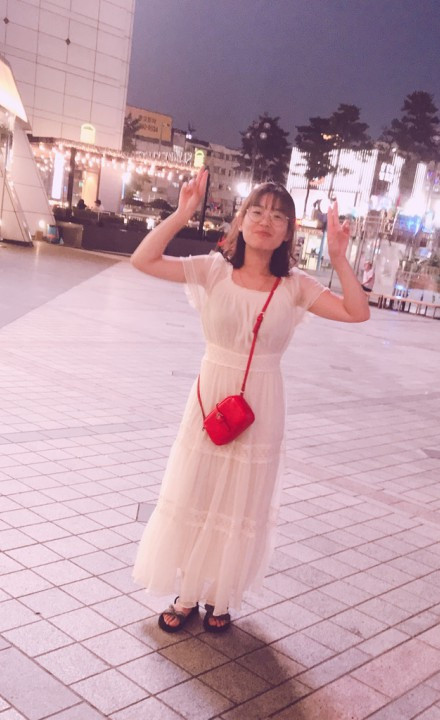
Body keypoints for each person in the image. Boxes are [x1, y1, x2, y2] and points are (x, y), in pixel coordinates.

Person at [130, 167, 369, 633]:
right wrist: (181, 213)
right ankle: (188, 593)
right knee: (197, 490)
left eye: (278, 216)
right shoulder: (213, 269)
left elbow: (356, 312)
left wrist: (339, 257)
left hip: (261, 403)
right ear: (240, 220)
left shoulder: (295, 285)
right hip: (210, 395)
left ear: (288, 232)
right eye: (256, 211)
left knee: (241, 503)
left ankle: (220, 595)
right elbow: (143, 260)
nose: (265, 221)